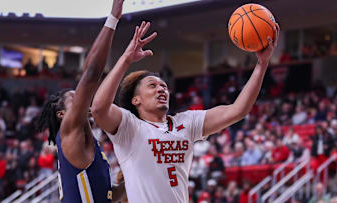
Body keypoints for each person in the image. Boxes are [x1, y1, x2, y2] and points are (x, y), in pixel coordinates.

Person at [92, 20, 280, 202]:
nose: (161, 89)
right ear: (136, 100)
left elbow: (238, 110)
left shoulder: (187, 123)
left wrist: (262, 64)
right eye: (152, 85)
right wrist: (125, 60)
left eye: (164, 86)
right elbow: (99, 108)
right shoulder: (129, 127)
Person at [36, 0, 125, 202]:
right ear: (61, 114)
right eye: (73, 99)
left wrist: (129, 178)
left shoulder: (86, 141)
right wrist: (113, 18)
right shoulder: (69, 129)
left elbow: (107, 195)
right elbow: (91, 73)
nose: (81, 99)